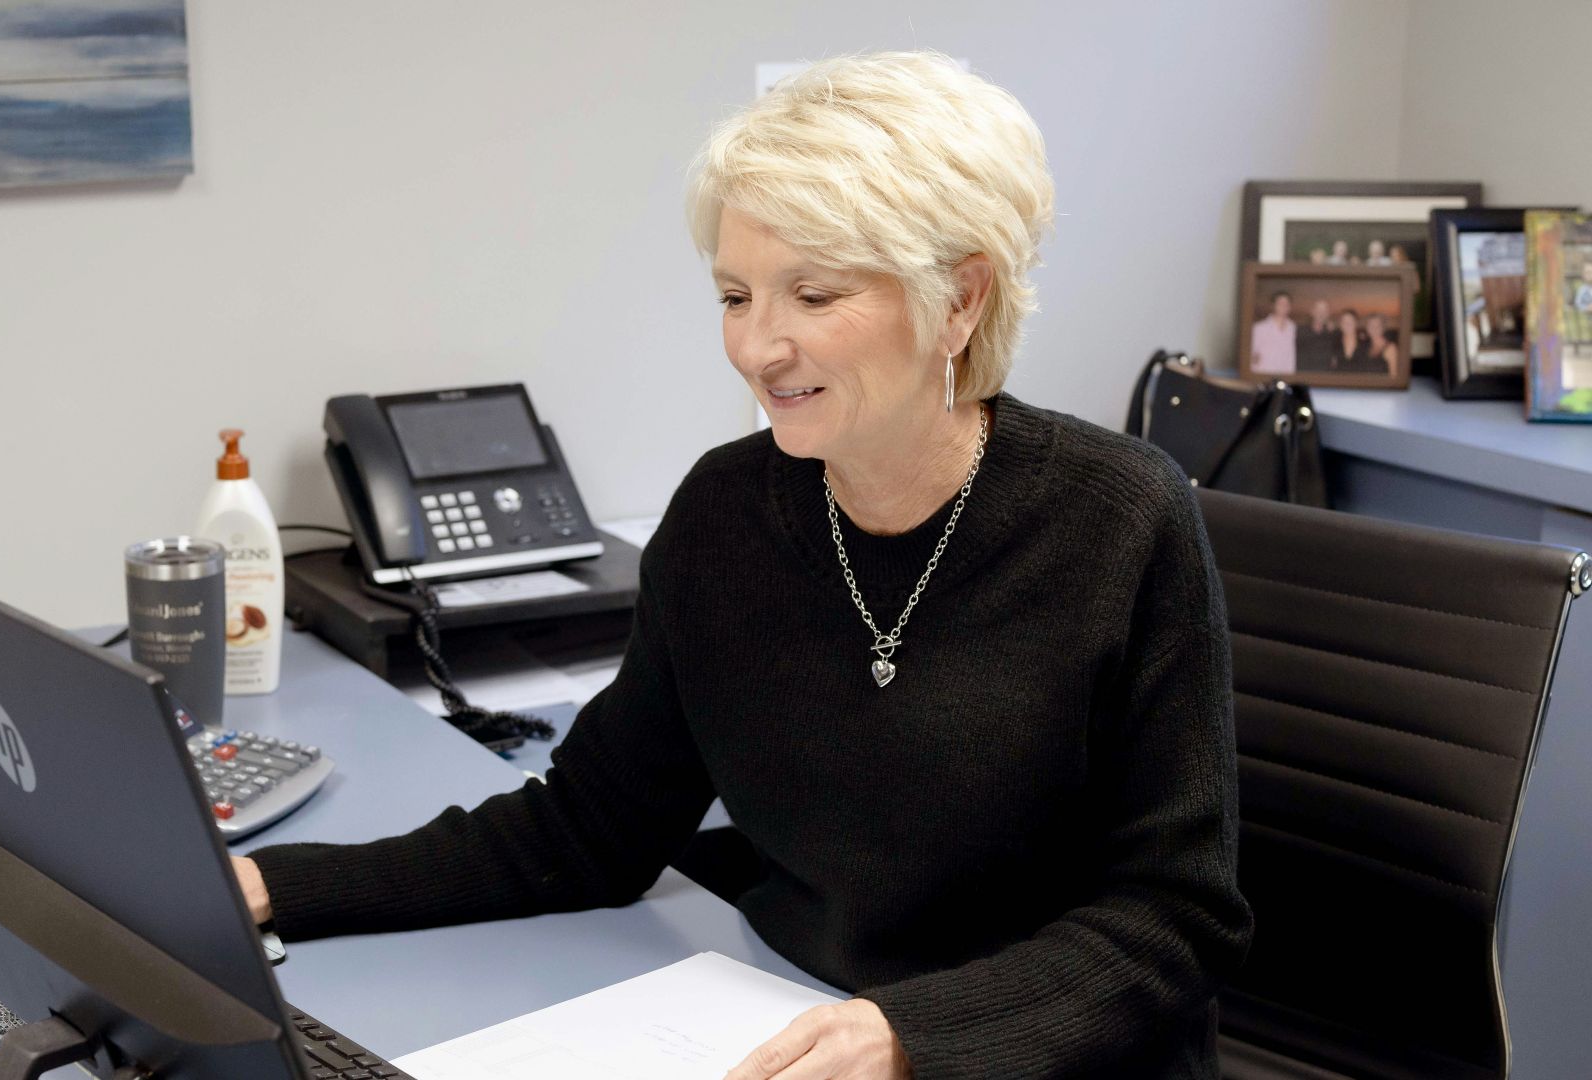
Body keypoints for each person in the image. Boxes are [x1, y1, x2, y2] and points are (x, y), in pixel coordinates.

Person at [236, 52, 1251, 1079]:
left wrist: (914, 1037)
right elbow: (587, 828)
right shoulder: (727, 513)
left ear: (959, 299)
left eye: (811, 294)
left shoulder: (1120, 519)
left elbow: (1177, 917)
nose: (758, 349)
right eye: (735, 295)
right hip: (784, 1026)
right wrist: (278, 885)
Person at [1250, 290, 1297, 374]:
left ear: (1290, 307)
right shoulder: (1259, 328)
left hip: (1286, 375)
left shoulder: (1293, 328)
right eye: (1280, 304)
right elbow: (1252, 355)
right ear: (1273, 305)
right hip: (1263, 374)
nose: (1283, 307)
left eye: (1286, 304)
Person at [1297, 297, 1335, 371]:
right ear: (1312, 312)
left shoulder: (1333, 334)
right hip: (1304, 378)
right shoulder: (1299, 332)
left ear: (1328, 314)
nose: (1321, 313)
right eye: (1318, 310)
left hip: (1326, 379)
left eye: (1325, 310)